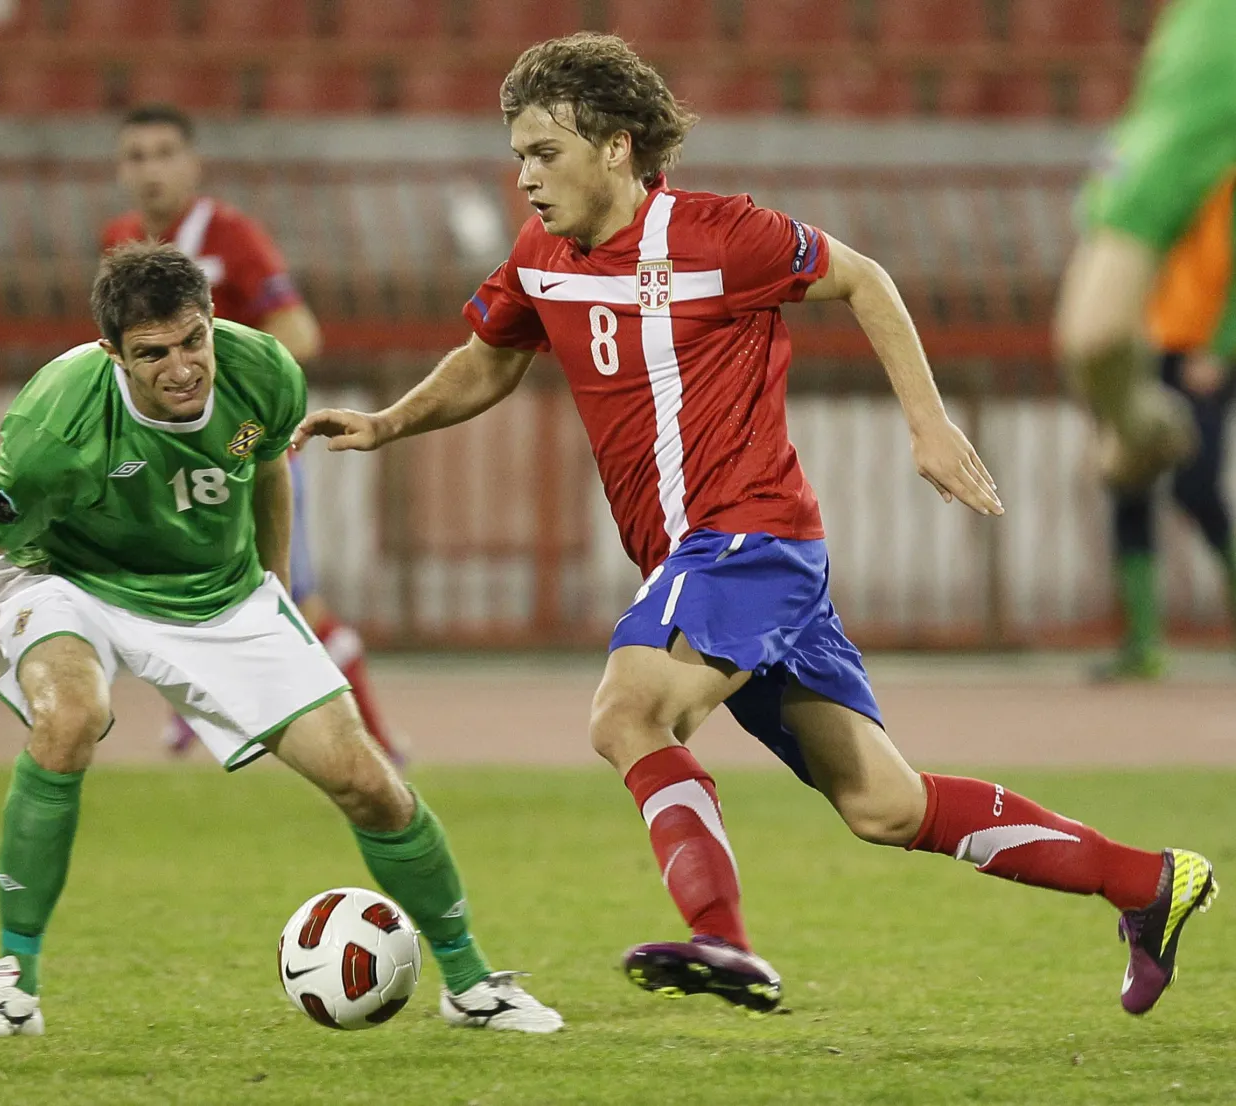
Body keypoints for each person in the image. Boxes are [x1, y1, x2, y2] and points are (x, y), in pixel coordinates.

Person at [298, 34, 1218, 1018]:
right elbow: (490, 355)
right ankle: (1144, 878)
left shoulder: (721, 237)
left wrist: (926, 424)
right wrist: (391, 419)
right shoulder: (541, 258)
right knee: (883, 804)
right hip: (722, 562)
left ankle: (723, 939)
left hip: (748, 540)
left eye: (543, 153)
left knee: (628, 711)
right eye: (517, 154)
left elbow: (861, 277)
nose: (524, 176)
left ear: (616, 147)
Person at [0, 243, 561, 1037]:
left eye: (193, 341)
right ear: (114, 354)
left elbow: (271, 470)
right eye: (153, 354)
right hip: (71, 581)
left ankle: (470, 982)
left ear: (212, 322)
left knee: (368, 783)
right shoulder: (55, 425)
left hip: (220, 591)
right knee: (67, 718)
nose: (182, 368)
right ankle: (12, 984)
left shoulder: (265, 371)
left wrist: (274, 595)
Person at [102, 103, 403, 764]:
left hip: (241, 448)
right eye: (136, 156)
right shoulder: (121, 241)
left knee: (293, 600)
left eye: (163, 153)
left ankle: (372, 740)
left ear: (192, 163)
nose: (150, 170)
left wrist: (238, 412)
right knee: (187, 584)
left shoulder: (230, 236)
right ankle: (208, 712)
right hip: (164, 456)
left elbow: (299, 333)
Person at [1054, 0, 1236, 493]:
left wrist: (1221, 346)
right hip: (1158, 339)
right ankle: (1140, 433)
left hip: (1194, 344)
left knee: (1198, 491)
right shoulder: (1188, 55)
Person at [1099, 174, 1236, 680]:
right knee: (1127, 483)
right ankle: (1144, 645)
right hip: (1141, 350)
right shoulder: (1144, 168)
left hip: (1199, 353)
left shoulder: (1222, 176)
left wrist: (1222, 347)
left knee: (1197, 489)